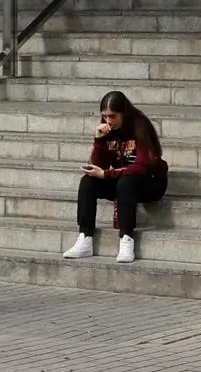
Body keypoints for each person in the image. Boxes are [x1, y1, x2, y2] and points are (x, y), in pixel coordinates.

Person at [62, 90, 167, 264]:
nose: (109, 121)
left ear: (123, 113)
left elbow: (140, 168)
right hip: (122, 180)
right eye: (105, 117)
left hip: (150, 182)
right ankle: (85, 237)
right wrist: (99, 141)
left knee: (126, 183)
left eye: (113, 116)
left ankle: (127, 238)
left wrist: (106, 174)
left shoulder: (140, 126)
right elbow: (99, 165)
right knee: (88, 182)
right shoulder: (108, 130)